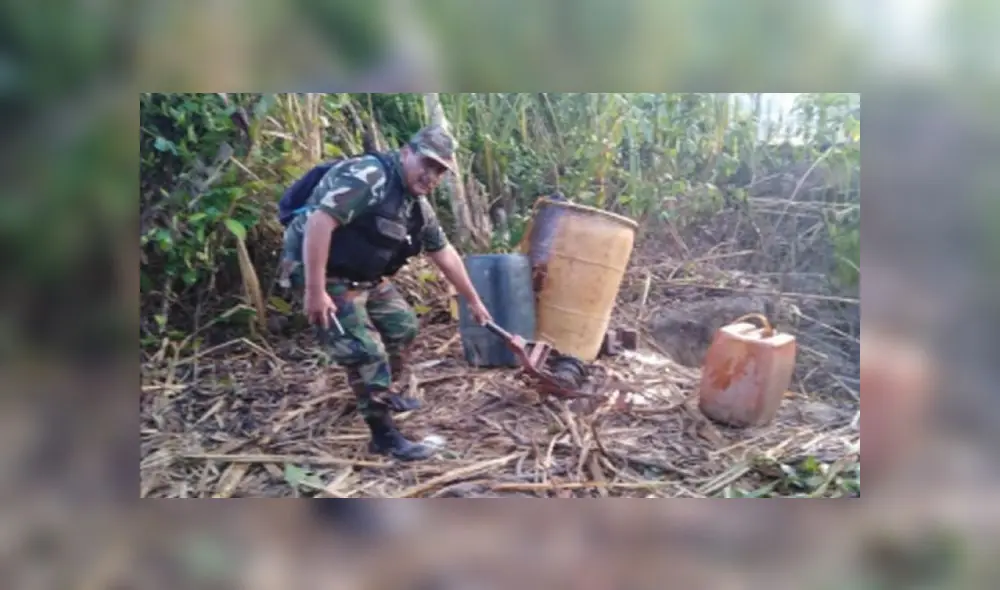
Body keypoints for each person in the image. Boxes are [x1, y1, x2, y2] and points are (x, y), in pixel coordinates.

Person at [283, 124, 492, 461]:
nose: (431, 176)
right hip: (320, 272)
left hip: (364, 277)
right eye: (427, 164)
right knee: (366, 352)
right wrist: (315, 290)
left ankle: (377, 394)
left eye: (440, 170)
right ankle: (383, 436)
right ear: (406, 152)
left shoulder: (416, 207)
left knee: (402, 326)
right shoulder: (370, 177)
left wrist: (475, 302)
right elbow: (319, 222)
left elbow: (446, 254)